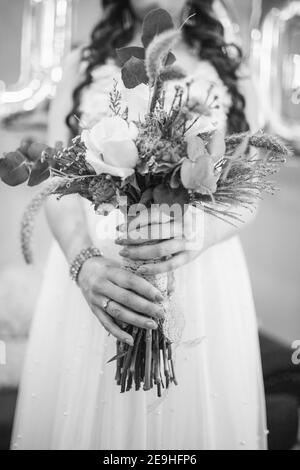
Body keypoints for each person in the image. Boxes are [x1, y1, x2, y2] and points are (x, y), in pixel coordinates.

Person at [12, 0, 268, 450]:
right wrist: (83, 264)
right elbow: (57, 179)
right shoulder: (82, 63)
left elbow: (251, 188)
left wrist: (199, 236)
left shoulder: (231, 65)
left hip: (201, 274)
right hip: (99, 271)